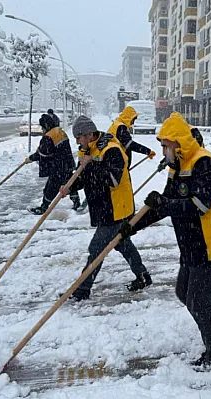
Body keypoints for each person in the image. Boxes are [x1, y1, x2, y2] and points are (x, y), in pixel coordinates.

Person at [118, 114, 211, 372]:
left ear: (179, 144)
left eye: (166, 145)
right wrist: (133, 225)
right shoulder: (178, 167)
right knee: (184, 292)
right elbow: (163, 206)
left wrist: (166, 204)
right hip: (193, 246)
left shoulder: (204, 163)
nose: (163, 151)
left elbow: (200, 205)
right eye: (163, 145)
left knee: (198, 300)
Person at [61, 115, 152, 299]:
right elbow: (86, 176)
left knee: (97, 249)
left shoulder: (111, 149)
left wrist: (91, 164)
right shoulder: (87, 150)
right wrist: (70, 185)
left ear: (88, 134)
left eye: (79, 137)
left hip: (117, 208)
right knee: (122, 243)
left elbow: (112, 179)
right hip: (103, 206)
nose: (77, 142)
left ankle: (82, 289)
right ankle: (143, 276)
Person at [26, 114, 80, 214]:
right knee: (69, 184)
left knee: (50, 188)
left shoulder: (49, 136)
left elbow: (43, 153)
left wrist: (30, 158)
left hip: (58, 167)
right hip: (67, 164)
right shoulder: (59, 131)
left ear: (45, 126)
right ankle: (77, 203)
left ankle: (43, 207)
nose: (42, 130)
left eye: (42, 127)